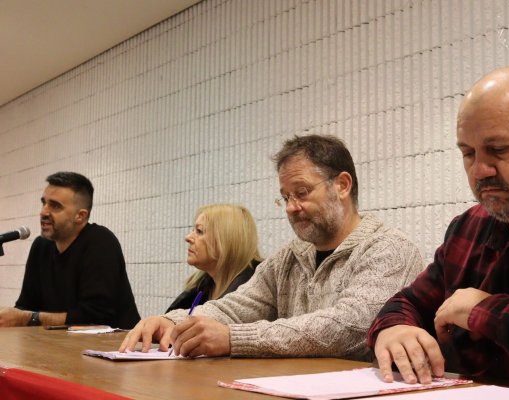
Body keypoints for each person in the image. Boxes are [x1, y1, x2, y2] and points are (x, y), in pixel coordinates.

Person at [368, 66, 509, 390]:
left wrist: (484, 311)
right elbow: (405, 304)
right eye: (468, 153)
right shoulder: (467, 228)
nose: (479, 170)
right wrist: (393, 329)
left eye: (499, 149)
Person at [120, 134, 424, 360]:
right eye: (286, 197)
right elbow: (237, 306)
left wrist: (234, 339)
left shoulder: (389, 248)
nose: (291, 207)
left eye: (302, 192)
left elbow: (350, 328)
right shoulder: (289, 257)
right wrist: (172, 321)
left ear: (342, 185)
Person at [0, 172, 140, 329]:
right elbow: (26, 306)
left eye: (55, 206)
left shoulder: (100, 242)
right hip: (56, 341)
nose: (43, 212)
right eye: (44, 203)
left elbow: (96, 317)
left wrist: (29, 318)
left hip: (114, 342)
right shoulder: (41, 246)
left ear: (80, 216)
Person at [165, 204, 263, 312]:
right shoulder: (199, 288)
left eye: (199, 231)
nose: (188, 238)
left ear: (226, 240)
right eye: (193, 230)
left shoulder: (256, 293)